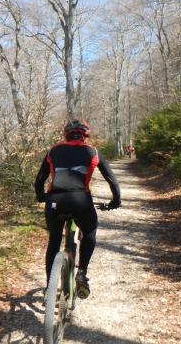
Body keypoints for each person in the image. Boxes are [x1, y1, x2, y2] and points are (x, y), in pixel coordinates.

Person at [34, 120, 121, 298]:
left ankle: (50, 286)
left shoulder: (54, 151)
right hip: (80, 199)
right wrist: (115, 201)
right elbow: (112, 180)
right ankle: (82, 273)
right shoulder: (93, 151)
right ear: (85, 135)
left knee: (54, 241)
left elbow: (39, 180)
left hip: (55, 200)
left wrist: (41, 196)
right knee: (89, 231)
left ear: (66, 134)